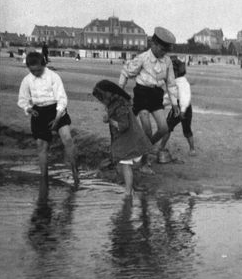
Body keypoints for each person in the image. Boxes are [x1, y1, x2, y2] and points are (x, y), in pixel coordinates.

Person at [17, 52, 79, 200]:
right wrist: (28, 109)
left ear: (44, 65)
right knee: (41, 146)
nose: (36, 73)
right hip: (39, 112)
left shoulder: (53, 77)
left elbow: (62, 99)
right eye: (32, 71)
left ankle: (75, 174)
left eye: (38, 70)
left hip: (56, 109)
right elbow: (22, 99)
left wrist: (57, 118)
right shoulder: (27, 80)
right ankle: (43, 178)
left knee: (67, 139)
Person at [118, 26, 178, 172]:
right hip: (142, 95)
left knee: (164, 128)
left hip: (156, 96)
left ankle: (144, 148)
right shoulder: (142, 58)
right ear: (153, 44)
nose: (163, 53)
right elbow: (126, 72)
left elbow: (171, 84)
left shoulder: (167, 61)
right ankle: (144, 164)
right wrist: (120, 90)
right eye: (161, 49)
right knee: (147, 130)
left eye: (166, 50)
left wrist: (175, 104)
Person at [92, 80, 153, 197]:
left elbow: (123, 126)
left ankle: (128, 193)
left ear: (107, 95)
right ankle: (133, 187)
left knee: (126, 165)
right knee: (127, 164)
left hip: (128, 140)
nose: (101, 102)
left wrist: (110, 121)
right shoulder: (118, 102)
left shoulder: (119, 106)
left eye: (101, 99)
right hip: (130, 138)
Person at [158, 57, 196, 157]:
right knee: (169, 127)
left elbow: (185, 97)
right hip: (180, 107)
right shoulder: (176, 82)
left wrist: (182, 110)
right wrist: (161, 104)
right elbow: (170, 96)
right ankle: (162, 147)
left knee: (184, 129)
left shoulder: (182, 83)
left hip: (184, 108)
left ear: (176, 71)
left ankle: (192, 149)